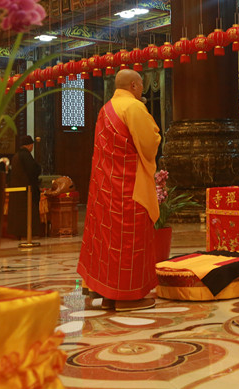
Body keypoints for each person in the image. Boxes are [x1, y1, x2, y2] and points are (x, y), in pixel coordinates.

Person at [77, 69, 161, 312]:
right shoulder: (133, 108)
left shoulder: (106, 109)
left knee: (109, 242)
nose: (142, 90)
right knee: (129, 240)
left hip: (107, 187)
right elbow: (148, 144)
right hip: (128, 186)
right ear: (134, 86)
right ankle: (127, 298)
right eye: (141, 86)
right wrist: (156, 133)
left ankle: (109, 295)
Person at [7, 135, 43, 238]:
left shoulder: (17, 155)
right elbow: (32, 171)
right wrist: (38, 168)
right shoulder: (26, 155)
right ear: (30, 145)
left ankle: (19, 233)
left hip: (18, 190)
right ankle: (27, 233)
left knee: (18, 213)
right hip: (26, 191)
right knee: (26, 213)